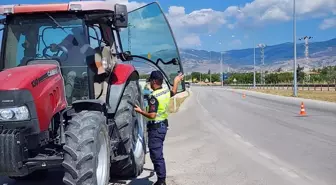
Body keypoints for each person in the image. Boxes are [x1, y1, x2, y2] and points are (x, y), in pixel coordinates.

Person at [134, 71, 184, 185]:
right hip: (162, 127)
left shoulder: (154, 97)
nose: (150, 83)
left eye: (151, 81)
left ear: (154, 81)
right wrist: (176, 81)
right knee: (157, 153)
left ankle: (161, 181)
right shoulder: (165, 92)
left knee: (156, 155)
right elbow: (174, 91)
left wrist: (140, 111)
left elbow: (152, 115)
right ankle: (161, 178)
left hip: (156, 129)